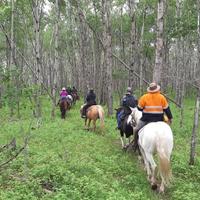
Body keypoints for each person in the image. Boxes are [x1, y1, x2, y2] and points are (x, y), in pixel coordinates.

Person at [132, 82, 173, 151]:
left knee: (136, 130)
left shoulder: (144, 97)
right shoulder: (161, 97)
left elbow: (139, 108)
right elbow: (167, 109)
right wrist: (170, 118)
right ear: (157, 89)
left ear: (149, 90)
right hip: (159, 119)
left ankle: (135, 145)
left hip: (146, 119)